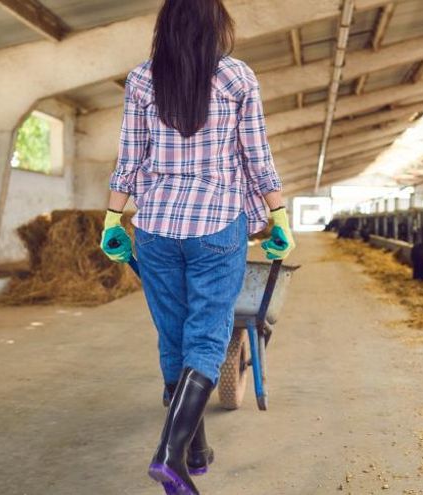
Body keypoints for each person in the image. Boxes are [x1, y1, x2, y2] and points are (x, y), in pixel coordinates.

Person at [98, 1, 295, 493]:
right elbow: (256, 156)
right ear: (216, 24)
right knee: (206, 339)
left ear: (165, 24)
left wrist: (112, 217)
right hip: (217, 225)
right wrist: (277, 213)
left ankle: (196, 450)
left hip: (156, 227)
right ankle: (169, 455)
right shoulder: (236, 77)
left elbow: (129, 158)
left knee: (173, 337)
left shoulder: (142, 78)